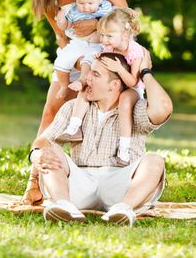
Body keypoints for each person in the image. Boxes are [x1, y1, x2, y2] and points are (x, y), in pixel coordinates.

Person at [23, 0, 127, 205]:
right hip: (77, 54)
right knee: (52, 108)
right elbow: (62, 40)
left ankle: (114, 181)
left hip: (108, 50)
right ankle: (34, 179)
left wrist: (95, 23)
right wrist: (74, 67)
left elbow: (125, 16)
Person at [28, 49, 173, 227]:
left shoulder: (135, 109)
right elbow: (43, 140)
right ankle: (63, 205)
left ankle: (123, 209)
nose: (87, 78)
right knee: (49, 150)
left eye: (95, 74)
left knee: (154, 160)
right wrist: (35, 154)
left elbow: (164, 107)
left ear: (114, 84)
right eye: (89, 73)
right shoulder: (73, 108)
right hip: (80, 184)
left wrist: (145, 73)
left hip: (121, 185)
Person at [56, 9, 146, 168]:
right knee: (85, 88)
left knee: (125, 101)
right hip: (113, 86)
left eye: (108, 36)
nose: (103, 40)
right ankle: (74, 127)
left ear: (124, 34)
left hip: (132, 88)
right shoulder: (109, 47)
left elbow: (133, 81)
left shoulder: (135, 51)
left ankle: (124, 149)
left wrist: (118, 69)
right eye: (102, 35)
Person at [54, 0, 113, 99]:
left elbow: (114, 19)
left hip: (97, 46)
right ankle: (64, 86)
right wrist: (61, 20)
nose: (86, 7)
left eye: (90, 3)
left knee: (88, 62)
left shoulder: (105, 7)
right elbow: (66, 26)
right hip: (78, 43)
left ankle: (81, 81)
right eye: (81, 3)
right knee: (61, 60)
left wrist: (127, 11)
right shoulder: (74, 11)